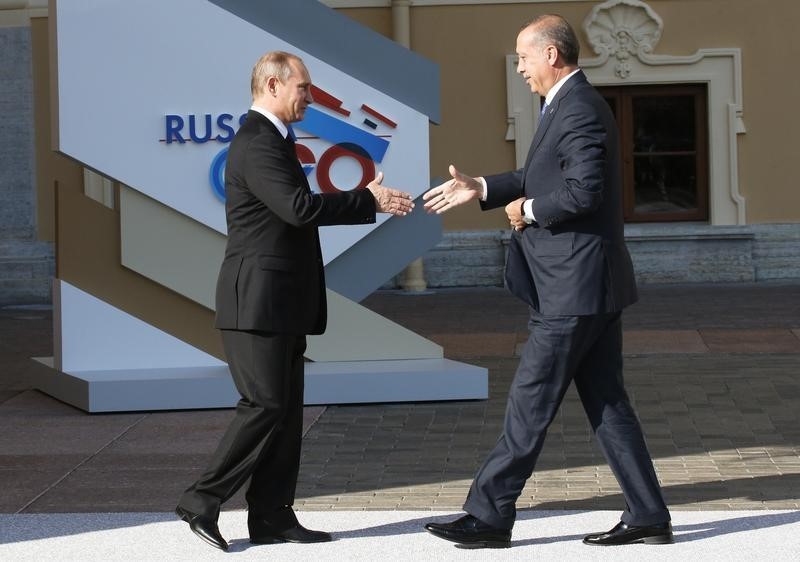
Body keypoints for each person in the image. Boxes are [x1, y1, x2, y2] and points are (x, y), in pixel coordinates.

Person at [422, 15, 672, 548]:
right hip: (586, 285)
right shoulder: (565, 104)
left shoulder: (578, 108)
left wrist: (527, 210)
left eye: (523, 58)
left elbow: (583, 192)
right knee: (608, 403)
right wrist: (483, 187)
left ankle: (489, 515)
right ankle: (649, 515)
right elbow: (546, 175)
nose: (520, 68)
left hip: (573, 287)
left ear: (552, 55)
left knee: (530, 398)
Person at [175, 51, 414, 551]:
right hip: (256, 302)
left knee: (284, 413)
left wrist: (369, 201)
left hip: (280, 301)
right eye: (303, 88)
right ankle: (201, 501)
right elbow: (298, 208)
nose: (309, 97)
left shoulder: (275, 141)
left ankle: (271, 517)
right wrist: (367, 200)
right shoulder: (257, 141)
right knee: (263, 405)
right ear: (272, 84)